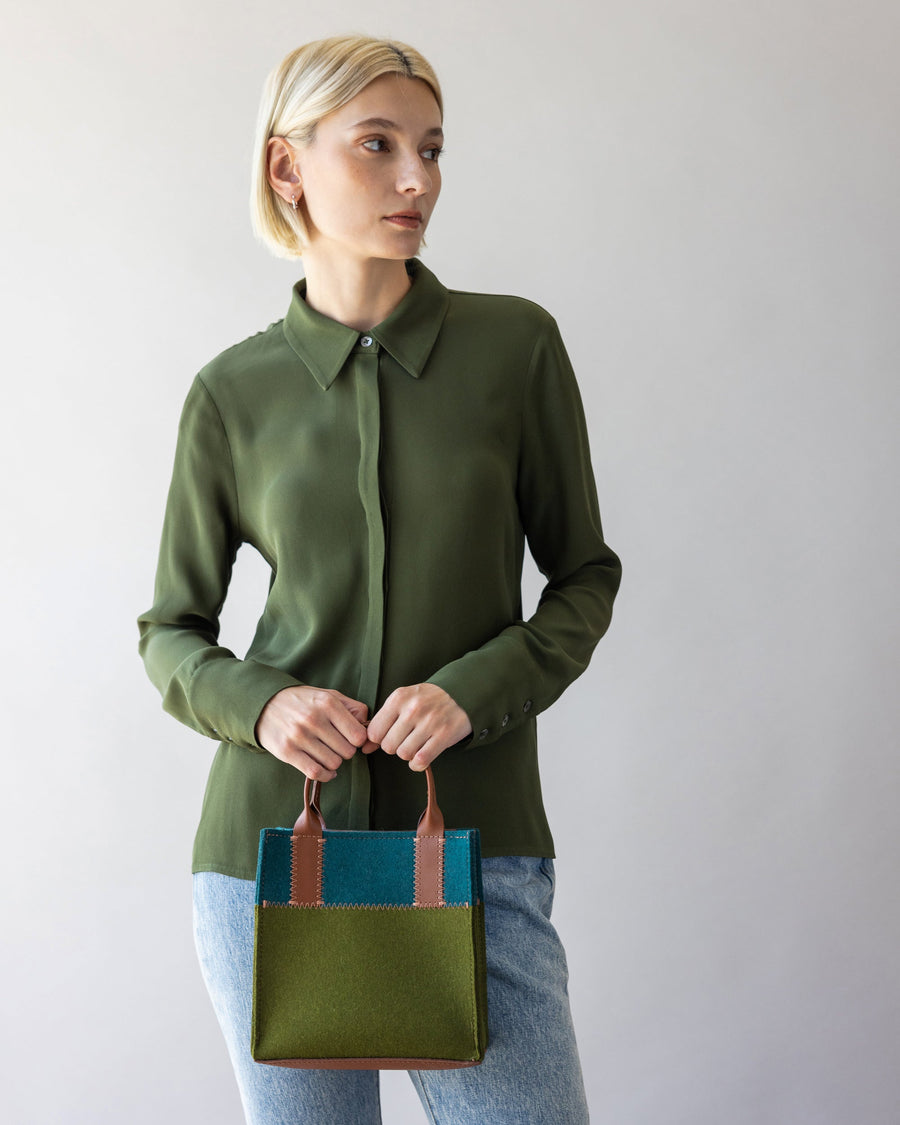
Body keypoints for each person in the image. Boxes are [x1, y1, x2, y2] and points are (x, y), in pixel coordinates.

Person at [137, 33, 621, 1125]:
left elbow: (584, 576)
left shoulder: (515, 349)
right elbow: (170, 630)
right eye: (379, 145)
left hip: (477, 850)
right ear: (287, 167)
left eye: (433, 148)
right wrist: (264, 707)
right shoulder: (232, 394)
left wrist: (474, 692)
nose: (419, 181)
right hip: (270, 862)